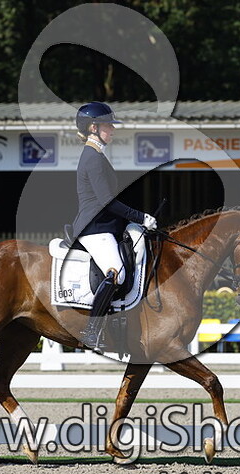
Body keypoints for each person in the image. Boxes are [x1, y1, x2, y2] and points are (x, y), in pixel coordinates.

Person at [72, 102, 157, 353]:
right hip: (94, 228)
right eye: (108, 125)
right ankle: (92, 330)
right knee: (116, 271)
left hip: (105, 225)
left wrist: (131, 222)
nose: (112, 130)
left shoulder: (97, 155)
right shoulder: (92, 158)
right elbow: (106, 201)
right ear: (93, 128)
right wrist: (140, 217)